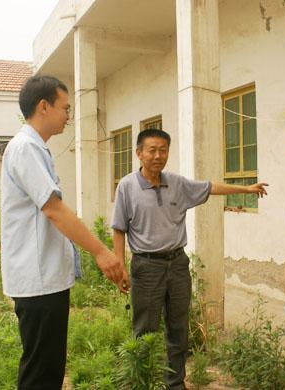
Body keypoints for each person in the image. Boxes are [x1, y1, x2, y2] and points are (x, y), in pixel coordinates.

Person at [112, 128, 267, 390]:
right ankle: (141, 382)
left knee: (178, 327)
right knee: (144, 329)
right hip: (146, 266)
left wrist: (247, 188)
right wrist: (119, 267)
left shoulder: (177, 183)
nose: (158, 155)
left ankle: (175, 383)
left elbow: (210, 187)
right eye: (152, 150)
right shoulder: (126, 187)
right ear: (139, 153)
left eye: (163, 150)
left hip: (178, 265)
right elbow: (119, 228)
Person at [0, 75, 129, 389]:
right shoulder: (25, 148)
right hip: (38, 282)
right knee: (41, 375)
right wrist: (101, 252)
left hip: (45, 281)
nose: (68, 115)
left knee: (48, 369)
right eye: (65, 107)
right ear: (43, 106)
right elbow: (54, 210)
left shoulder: (35, 149)